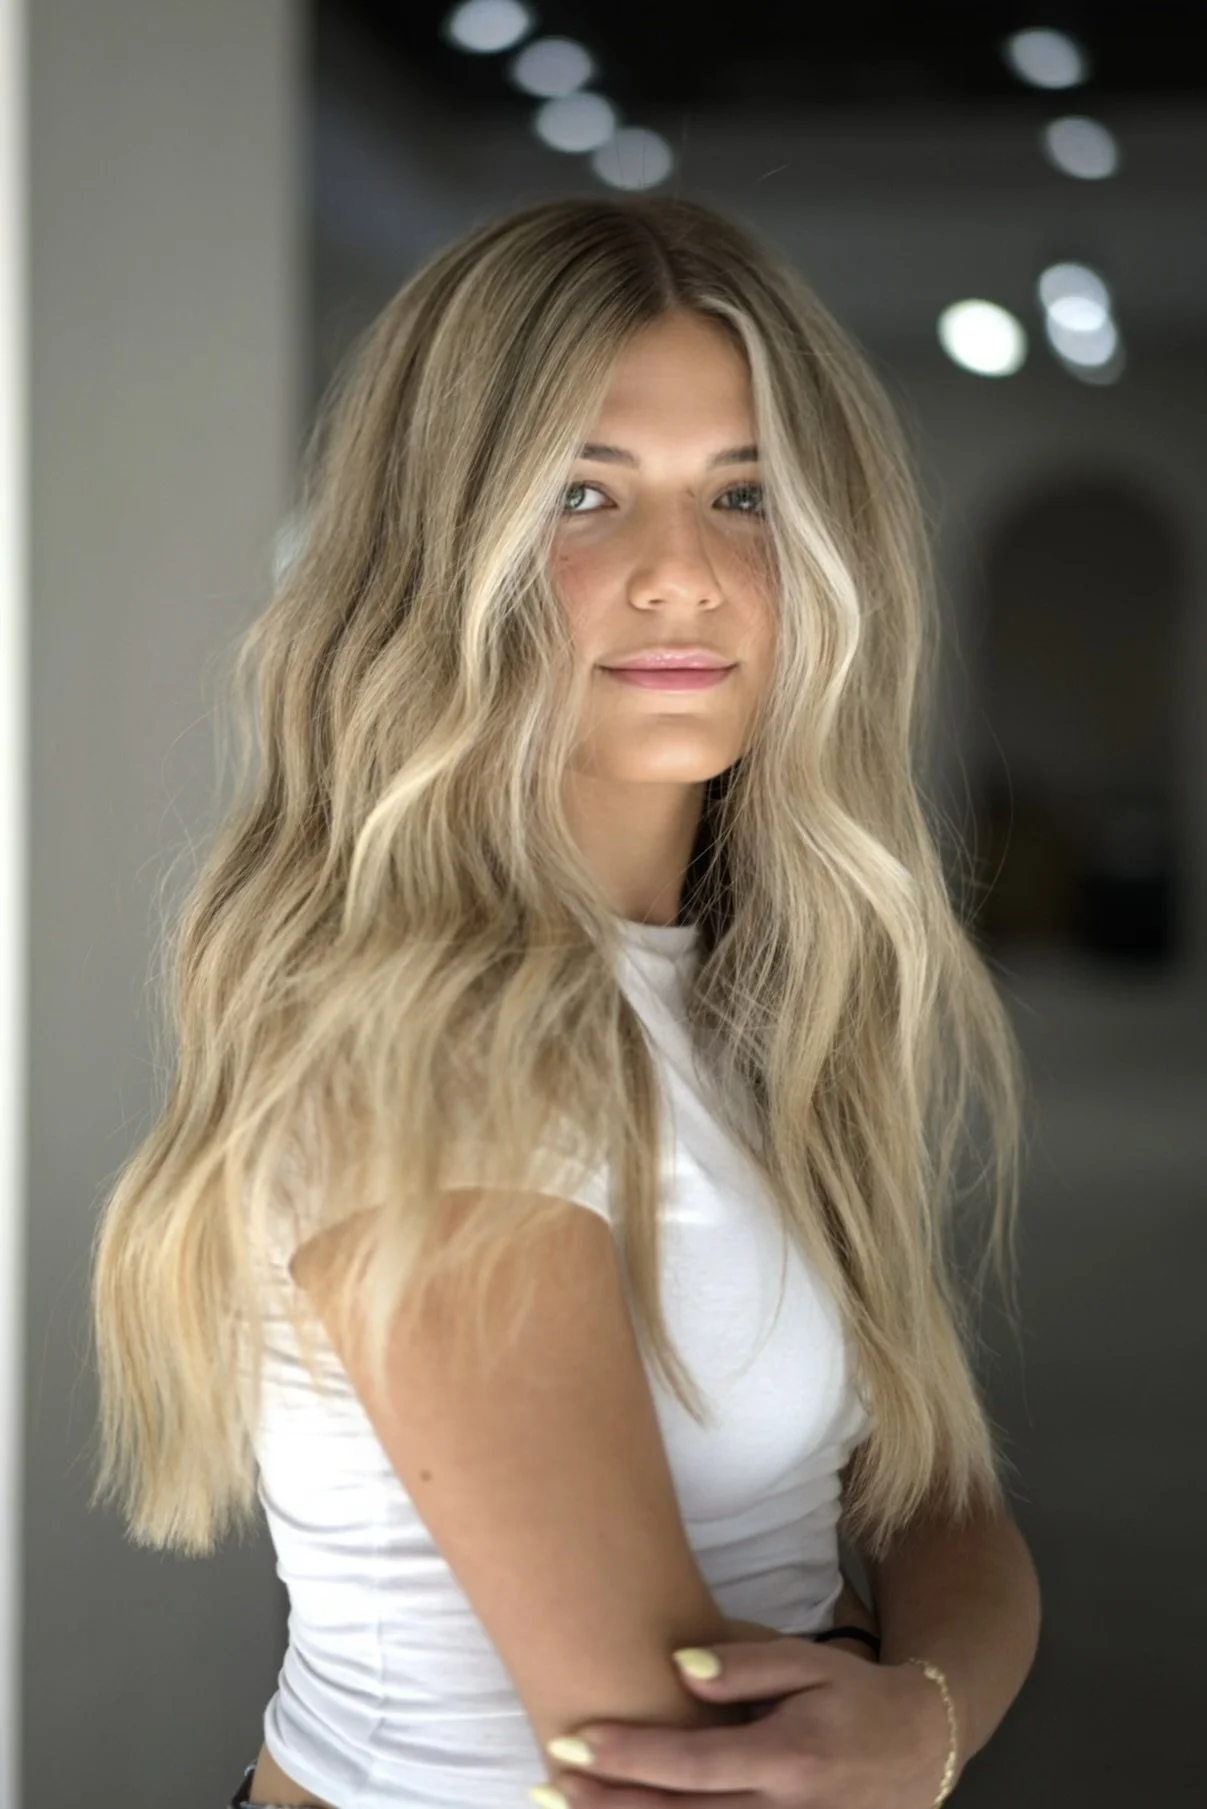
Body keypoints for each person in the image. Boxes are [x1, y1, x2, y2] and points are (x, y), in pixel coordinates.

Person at [87, 196, 1040, 1809]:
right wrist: (907, 1721)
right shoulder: (433, 1059)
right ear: (440, 549)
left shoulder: (749, 995)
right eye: (581, 496)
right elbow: (677, 1779)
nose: (682, 575)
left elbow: (941, 1504)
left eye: (745, 495)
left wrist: (921, 1718)